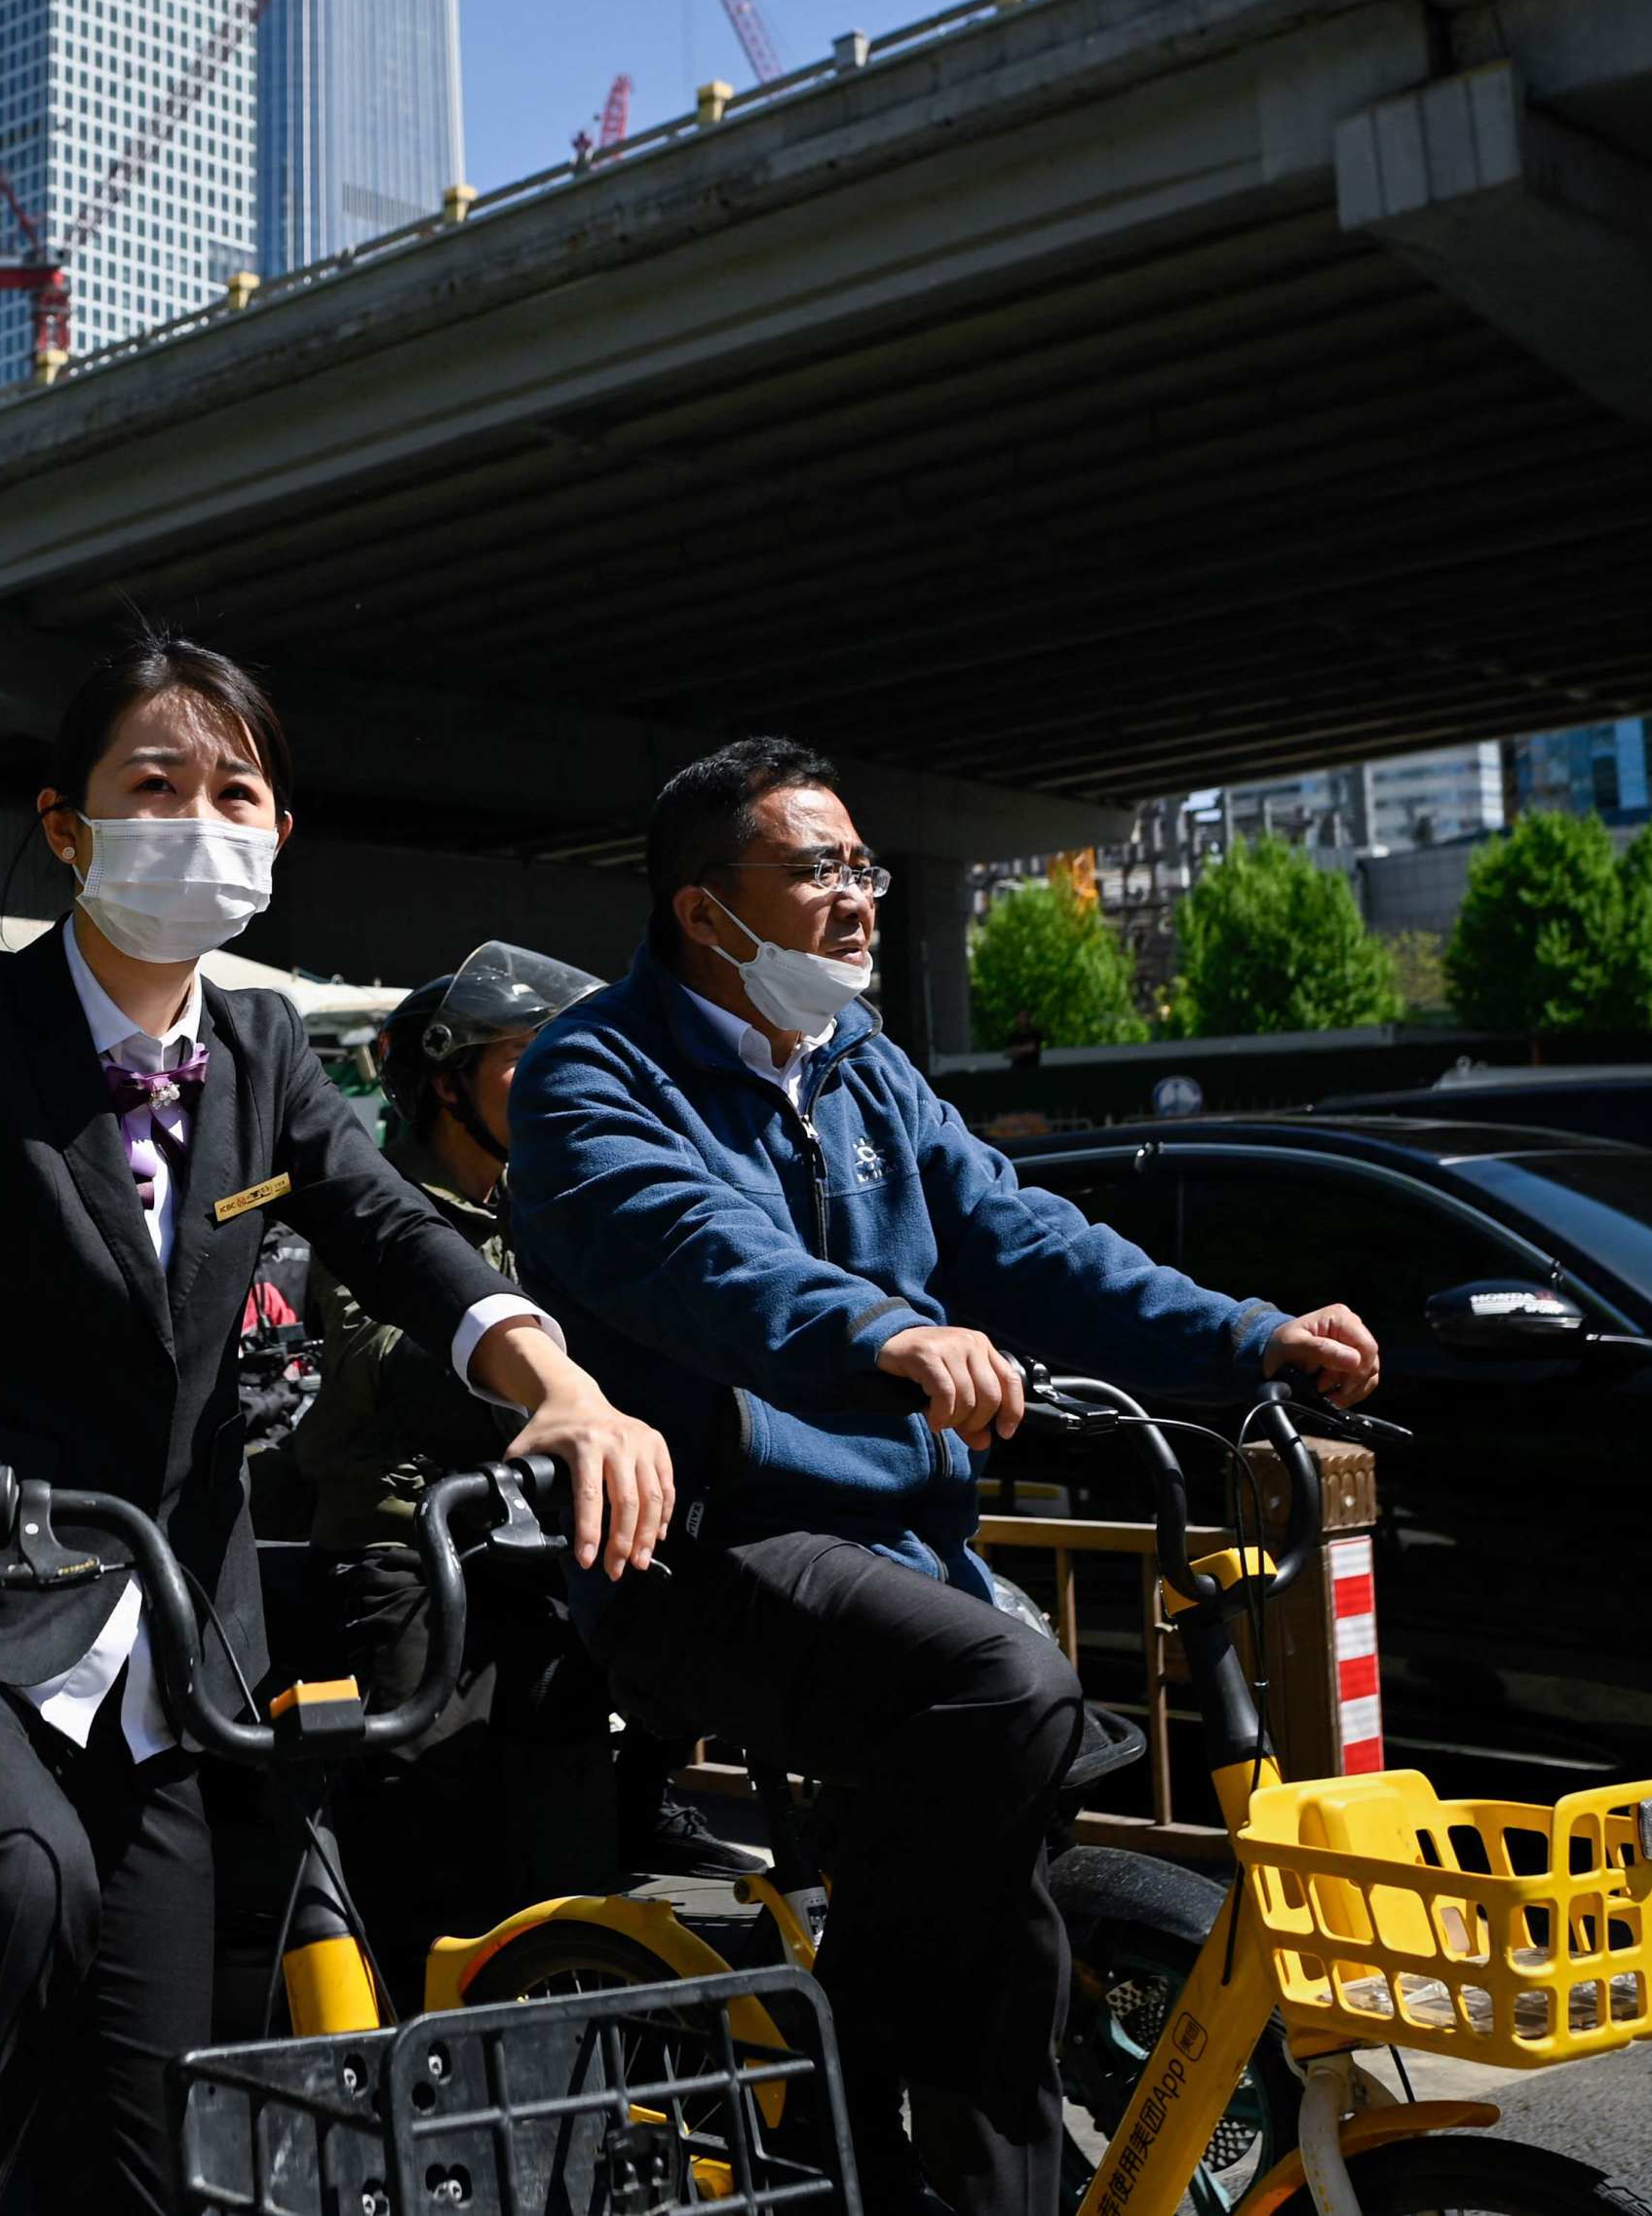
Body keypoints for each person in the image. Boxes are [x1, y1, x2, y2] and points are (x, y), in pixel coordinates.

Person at [0, 633, 677, 2215]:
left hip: (171, 1670)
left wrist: (560, 1385)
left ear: (277, 836)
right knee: (11, 1880)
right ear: (67, 824)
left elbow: (404, 1238)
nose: (197, 818)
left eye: (234, 789)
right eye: (152, 785)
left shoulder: (260, 1055)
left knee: (148, 2146)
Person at [504, 738, 1382, 2216]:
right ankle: (843, 2098)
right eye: (817, 868)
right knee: (1006, 1692)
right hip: (702, 1554)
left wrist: (1249, 1335)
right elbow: (700, 1260)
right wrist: (888, 1331)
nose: (856, 900)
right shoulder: (594, 1075)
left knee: (1006, 1884)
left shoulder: (862, 1066)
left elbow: (1022, 1235)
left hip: (901, 1553)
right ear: (702, 911)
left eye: (863, 867)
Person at [287, 945, 762, 1888]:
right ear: (447, 1080)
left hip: (544, 1538)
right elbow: (381, 1366)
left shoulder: (556, 1202)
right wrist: (530, 1344)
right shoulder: (376, 1215)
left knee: (572, 1811)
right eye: (527, 1056)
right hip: (411, 1546)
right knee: (427, 1811)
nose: (557, 1079)